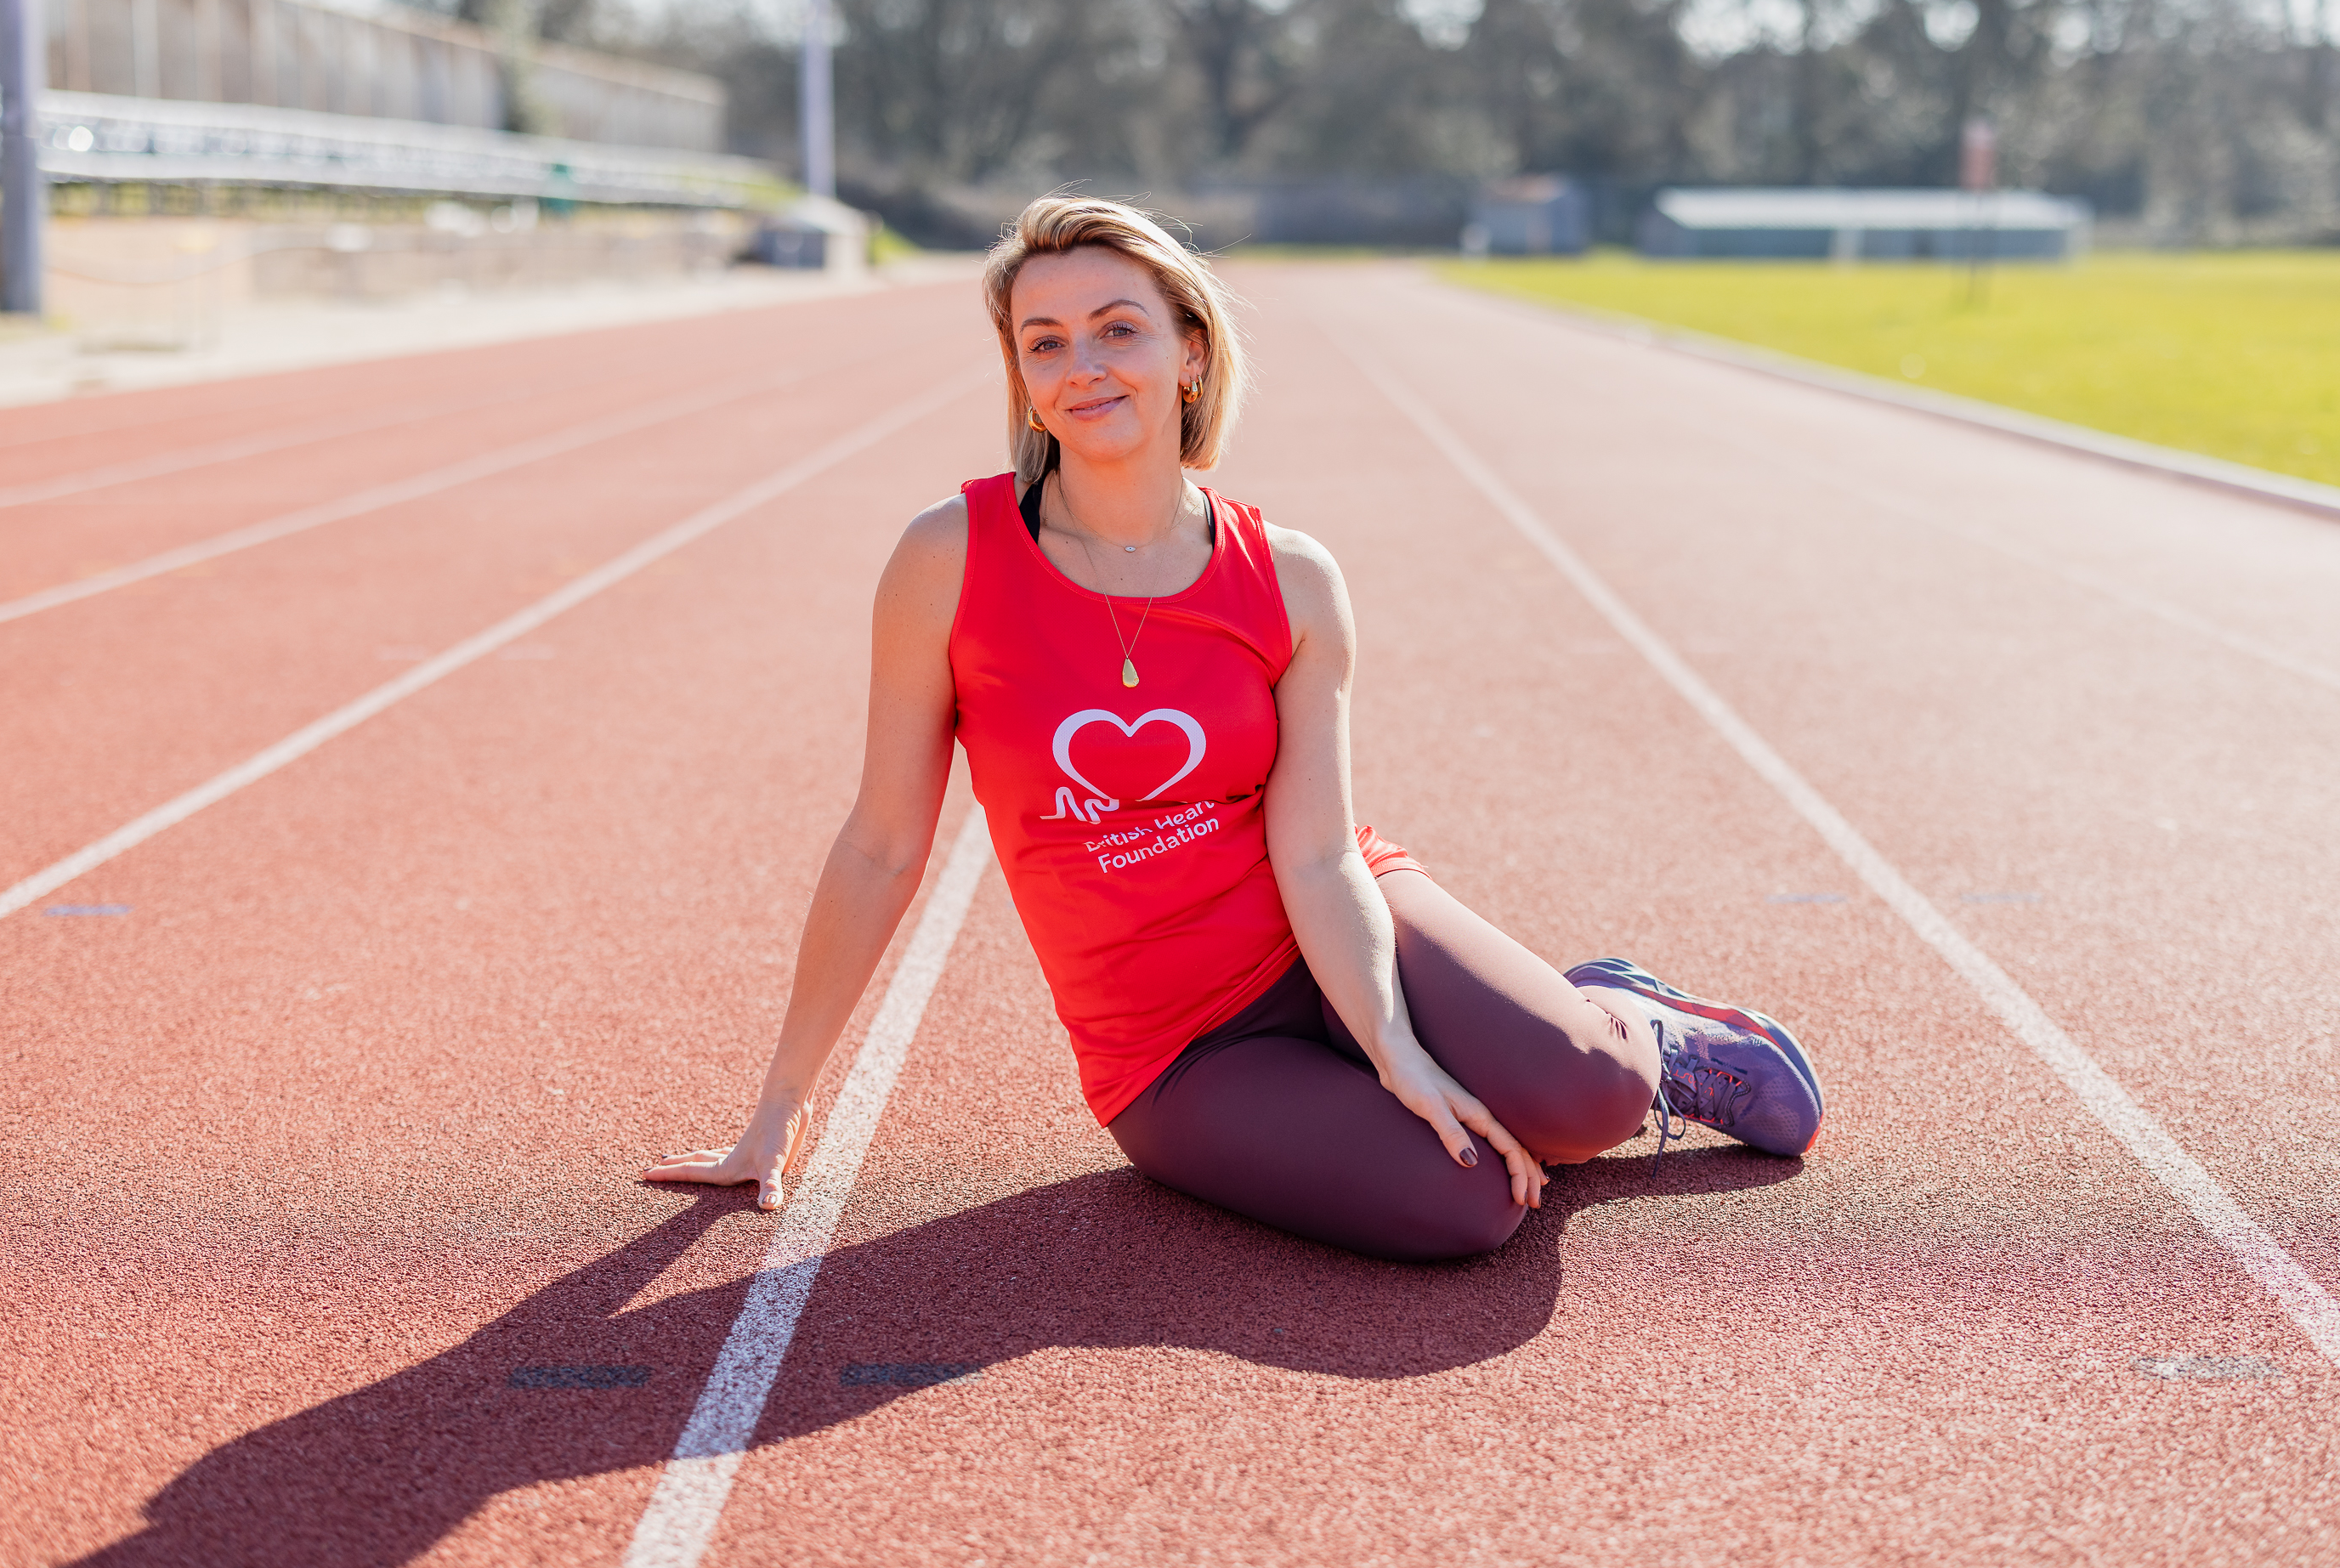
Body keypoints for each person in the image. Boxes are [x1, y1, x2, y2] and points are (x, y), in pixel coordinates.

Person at [649, 195, 1825, 1261]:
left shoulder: (1292, 579)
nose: (1083, 365)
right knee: (1466, 1210)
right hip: (1180, 1049)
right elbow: (881, 844)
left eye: (1119, 328)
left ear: (1190, 350)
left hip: (1339, 922)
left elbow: (1315, 855)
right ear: (1019, 373)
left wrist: (1397, 1043)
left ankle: (1636, 1028)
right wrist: (778, 1104)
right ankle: (1462, 1064)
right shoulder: (946, 562)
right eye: (1044, 341)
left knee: (1592, 1096)